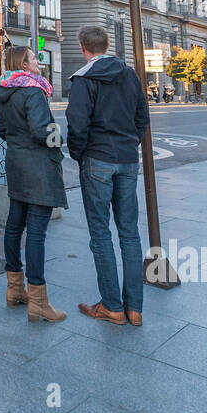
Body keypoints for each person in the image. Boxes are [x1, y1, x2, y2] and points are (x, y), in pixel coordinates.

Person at [66, 25, 150, 326]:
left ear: (83, 48)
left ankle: (112, 306)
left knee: (100, 233)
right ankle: (135, 308)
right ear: (107, 44)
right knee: (130, 232)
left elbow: (76, 124)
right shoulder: (130, 75)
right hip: (127, 158)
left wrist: (80, 153)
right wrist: (129, 143)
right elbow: (143, 116)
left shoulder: (83, 79)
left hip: (97, 158)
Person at [0, 45, 68, 323]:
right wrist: (59, 137)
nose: (38, 62)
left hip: (16, 164)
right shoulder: (34, 91)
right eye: (34, 58)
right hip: (38, 169)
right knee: (37, 231)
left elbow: (3, 131)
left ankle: (14, 289)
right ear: (24, 64)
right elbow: (42, 130)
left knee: (15, 225)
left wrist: (19, 146)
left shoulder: (7, 90)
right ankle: (38, 301)